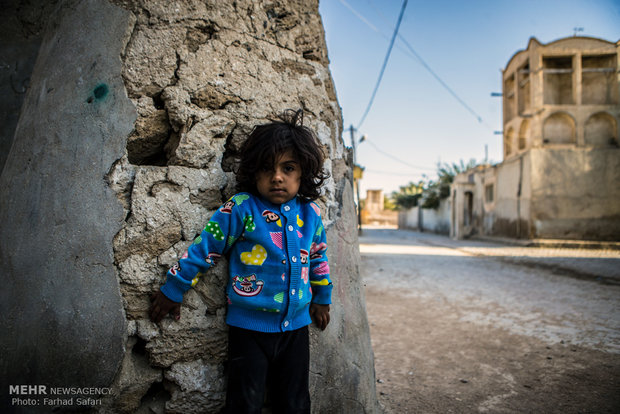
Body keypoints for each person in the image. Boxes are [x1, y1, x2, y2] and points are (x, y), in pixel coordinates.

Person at [149, 109, 333, 414]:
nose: (277, 177)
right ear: (253, 172)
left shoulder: (309, 215)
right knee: (244, 404)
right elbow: (205, 248)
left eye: (288, 168)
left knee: (295, 403)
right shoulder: (241, 208)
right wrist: (173, 288)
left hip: (296, 329)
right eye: (267, 168)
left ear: (303, 172)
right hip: (249, 330)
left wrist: (322, 297)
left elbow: (318, 257)